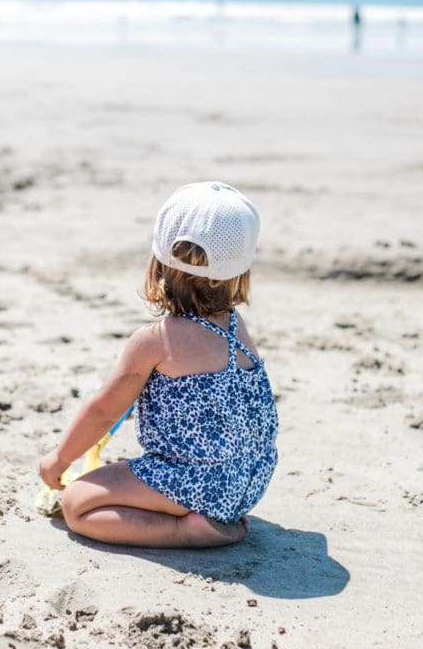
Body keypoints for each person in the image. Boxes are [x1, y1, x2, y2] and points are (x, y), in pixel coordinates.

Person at [39, 182, 278, 548]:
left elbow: (104, 409)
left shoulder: (156, 340)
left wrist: (60, 458)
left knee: (77, 505)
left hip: (197, 481)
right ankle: (204, 516)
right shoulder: (235, 327)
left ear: (159, 262)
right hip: (247, 482)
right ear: (240, 272)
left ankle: (184, 531)